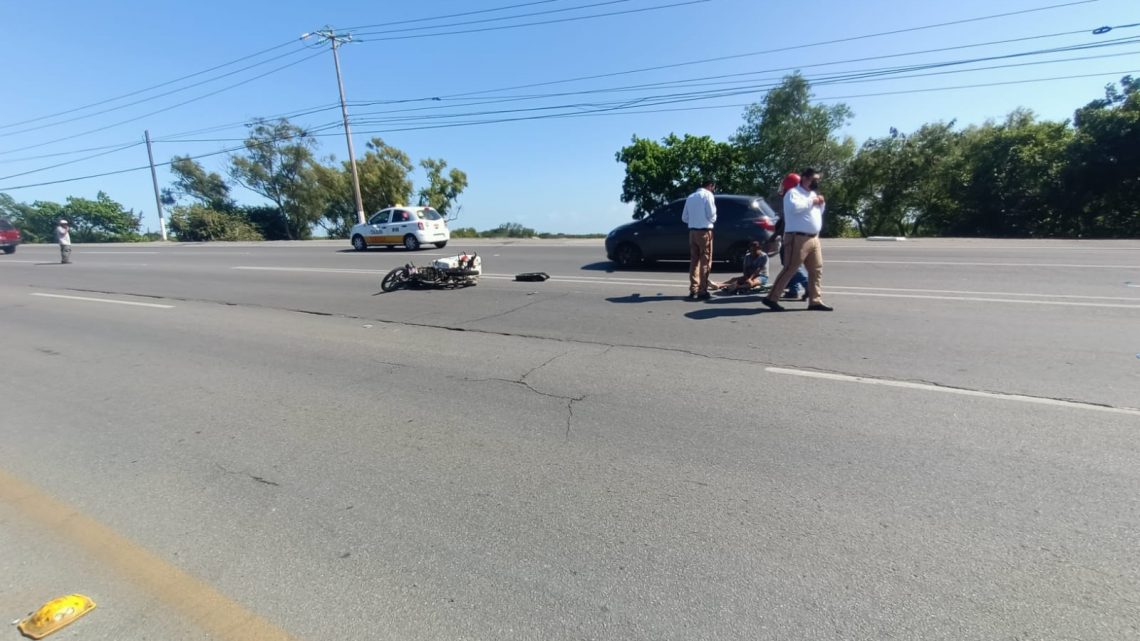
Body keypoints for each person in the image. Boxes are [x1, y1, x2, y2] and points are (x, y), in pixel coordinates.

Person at [762, 168, 833, 312]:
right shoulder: (793, 193)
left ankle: (815, 301)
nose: (816, 182)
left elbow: (817, 212)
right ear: (805, 178)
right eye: (814, 179)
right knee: (790, 268)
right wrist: (812, 201)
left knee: (816, 269)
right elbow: (795, 208)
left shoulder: (812, 194)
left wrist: (821, 204)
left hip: (813, 237)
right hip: (797, 237)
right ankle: (771, 298)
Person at [775, 172, 809, 300]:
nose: (782, 188)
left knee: (791, 265)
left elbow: (786, 222)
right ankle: (793, 290)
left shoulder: (792, 198)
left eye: (785, 186)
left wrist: (774, 236)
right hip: (796, 236)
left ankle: (808, 286)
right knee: (790, 264)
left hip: (793, 237)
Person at [681, 179, 717, 300]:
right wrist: (710, 221)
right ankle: (703, 290)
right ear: (710, 185)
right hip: (704, 231)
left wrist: (694, 220)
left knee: (694, 261)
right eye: (713, 187)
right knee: (705, 261)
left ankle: (693, 289)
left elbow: (684, 217)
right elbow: (712, 215)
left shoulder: (690, 197)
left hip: (692, 232)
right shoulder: (708, 195)